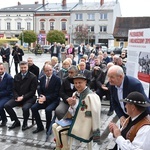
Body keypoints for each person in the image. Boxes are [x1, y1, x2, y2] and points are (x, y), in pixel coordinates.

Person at [52, 74, 101, 150]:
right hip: (74, 120)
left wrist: (75, 105)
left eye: (79, 82)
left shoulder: (91, 96)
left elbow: (93, 114)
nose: (77, 85)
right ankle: (59, 147)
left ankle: (65, 148)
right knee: (54, 126)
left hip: (85, 124)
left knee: (59, 129)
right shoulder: (75, 94)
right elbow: (71, 113)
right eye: (75, 83)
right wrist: (71, 106)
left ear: (85, 82)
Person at [4, 61, 37, 130]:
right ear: (19, 67)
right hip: (18, 97)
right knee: (7, 105)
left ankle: (25, 123)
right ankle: (16, 121)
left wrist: (23, 97)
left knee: (25, 108)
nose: (23, 69)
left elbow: (32, 91)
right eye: (22, 68)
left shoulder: (33, 77)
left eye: (25, 67)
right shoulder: (17, 76)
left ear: (27, 67)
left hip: (29, 98)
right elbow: (13, 89)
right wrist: (17, 96)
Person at [31, 64, 61, 134]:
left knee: (48, 110)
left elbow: (57, 94)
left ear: (52, 70)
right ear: (44, 71)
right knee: (33, 108)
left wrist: (46, 98)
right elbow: (40, 90)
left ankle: (48, 127)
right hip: (44, 100)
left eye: (50, 70)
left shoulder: (57, 79)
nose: (49, 72)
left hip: (53, 100)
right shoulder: (41, 79)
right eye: (47, 71)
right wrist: (41, 97)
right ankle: (40, 126)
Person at [0, 62, 13, 127]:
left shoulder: (9, 78)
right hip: (1, 95)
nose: (0, 71)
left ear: (4, 69)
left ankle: (4, 119)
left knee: (0, 106)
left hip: (7, 96)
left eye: (1, 69)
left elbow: (8, 91)